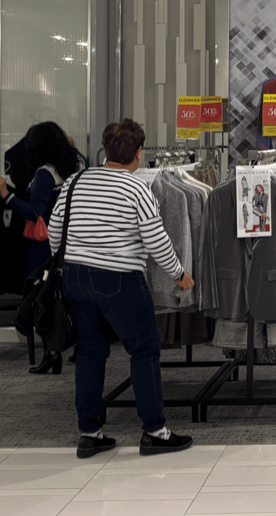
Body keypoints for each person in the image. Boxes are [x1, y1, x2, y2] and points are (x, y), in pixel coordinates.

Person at [47, 119, 196, 459]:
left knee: (89, 350)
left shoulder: (75, 181)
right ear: (138, 153)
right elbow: (155, 240)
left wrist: (72, 259)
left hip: (74, 276)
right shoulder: (135, 189)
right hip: (118, 278)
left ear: (106, 149)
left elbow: (55, 229)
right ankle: (155, 432)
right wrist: (178, 274)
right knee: (144, 350)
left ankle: (90, 433)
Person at [0, 122, 82, 374]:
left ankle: (51, 353)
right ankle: (78, 344)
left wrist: (7, 195)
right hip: (74, 240)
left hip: (45, 245)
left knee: (42, 297)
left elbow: (36, 212)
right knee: (69, 297)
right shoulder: (78, 165)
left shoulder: (46, 173)